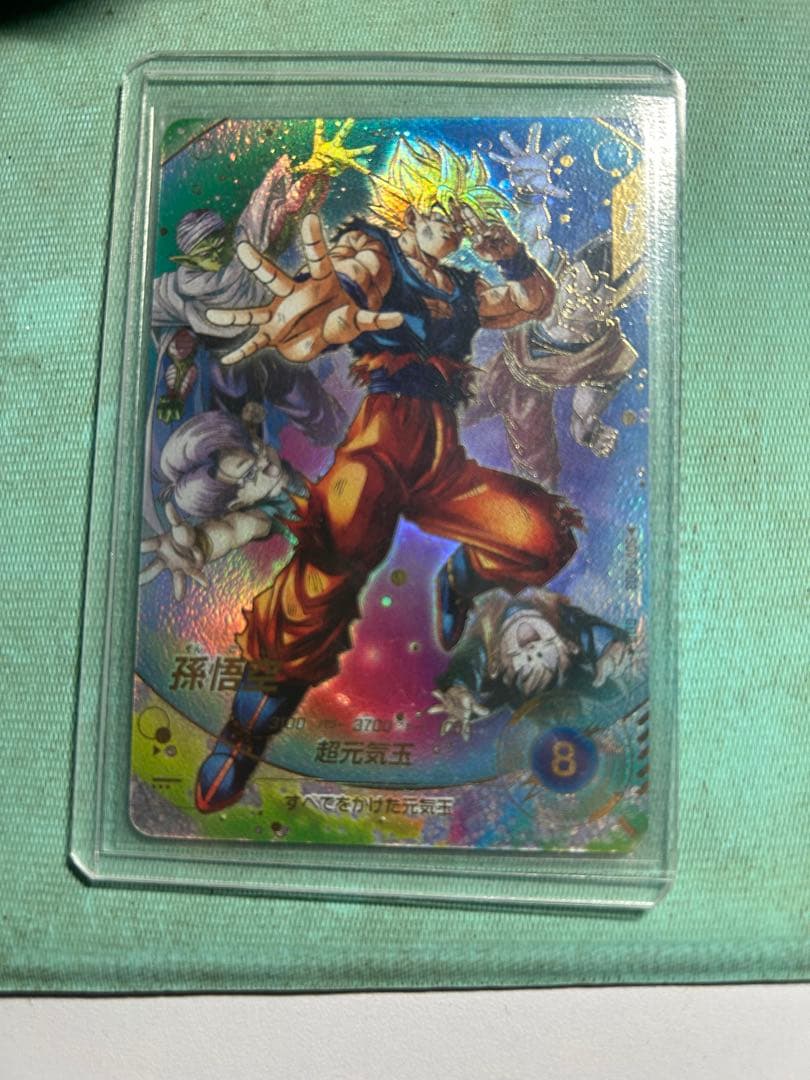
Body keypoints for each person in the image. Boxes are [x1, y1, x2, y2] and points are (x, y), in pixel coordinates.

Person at [192, 137, 583, 812]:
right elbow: (344, 282)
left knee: (543, 536)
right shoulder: (376, 253)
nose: (450, 228)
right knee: (328, 561)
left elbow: (533, 302)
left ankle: (463, 577)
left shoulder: (463, 289)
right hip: (374, 451)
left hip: (440, 465)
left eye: (459, 218)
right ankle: (245, 732)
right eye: (439, 213)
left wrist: (512, 254)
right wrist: (324, 302)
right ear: (409, 210)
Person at [144, 119, 374, 531]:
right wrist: (177, 370)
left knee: (315, 409)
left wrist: (315, 169)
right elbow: (149, 310)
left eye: (218, 242)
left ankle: (353, 457)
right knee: (237, 439)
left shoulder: (243, 253)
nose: (216, 253)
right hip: (227, 362)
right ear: (190, 258)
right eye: (206, 249)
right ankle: (263, 505)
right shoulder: (177, 288)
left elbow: (264, 211)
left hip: (272, 347)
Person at [463, 125, 640, 489]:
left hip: (532, 403)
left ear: (609, 305)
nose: (572, 298)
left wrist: (591, 434)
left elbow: (582, 417)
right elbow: (532, 239)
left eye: (589, 296)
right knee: (435, 412)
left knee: (540, 482)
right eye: (574, 281)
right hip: (497, 370)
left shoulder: (609, 353)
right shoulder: (551, 277)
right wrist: (530, 194)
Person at [428, 590, 644, 741]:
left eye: (525, 671)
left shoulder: (485, 639)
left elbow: (471, 662)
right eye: (548, 659)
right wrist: (612, 647)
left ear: (497, 666)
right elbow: (589, 631)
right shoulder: (562, 618)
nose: (534, 651)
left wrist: (458, 687)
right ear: (567, 644)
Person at [139, 407, 307, 600]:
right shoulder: (264, 515)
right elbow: (233, 529)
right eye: (250, 475)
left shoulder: (286, 443)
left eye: (255, 448)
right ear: (235, 504)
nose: (266, 464)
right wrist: (200, 544)